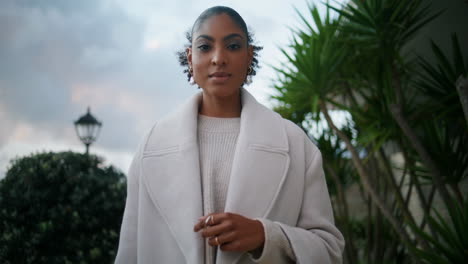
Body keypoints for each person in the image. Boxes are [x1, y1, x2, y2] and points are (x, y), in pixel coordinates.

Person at [115, 6, 344, 264]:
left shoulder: (296, 144)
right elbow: (129, 254)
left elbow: (330, 251)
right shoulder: (151, 147)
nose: (218, 58)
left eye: (233, 46)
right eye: (205, 47)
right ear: (190, 58)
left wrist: (265, 236)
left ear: (249, 56)